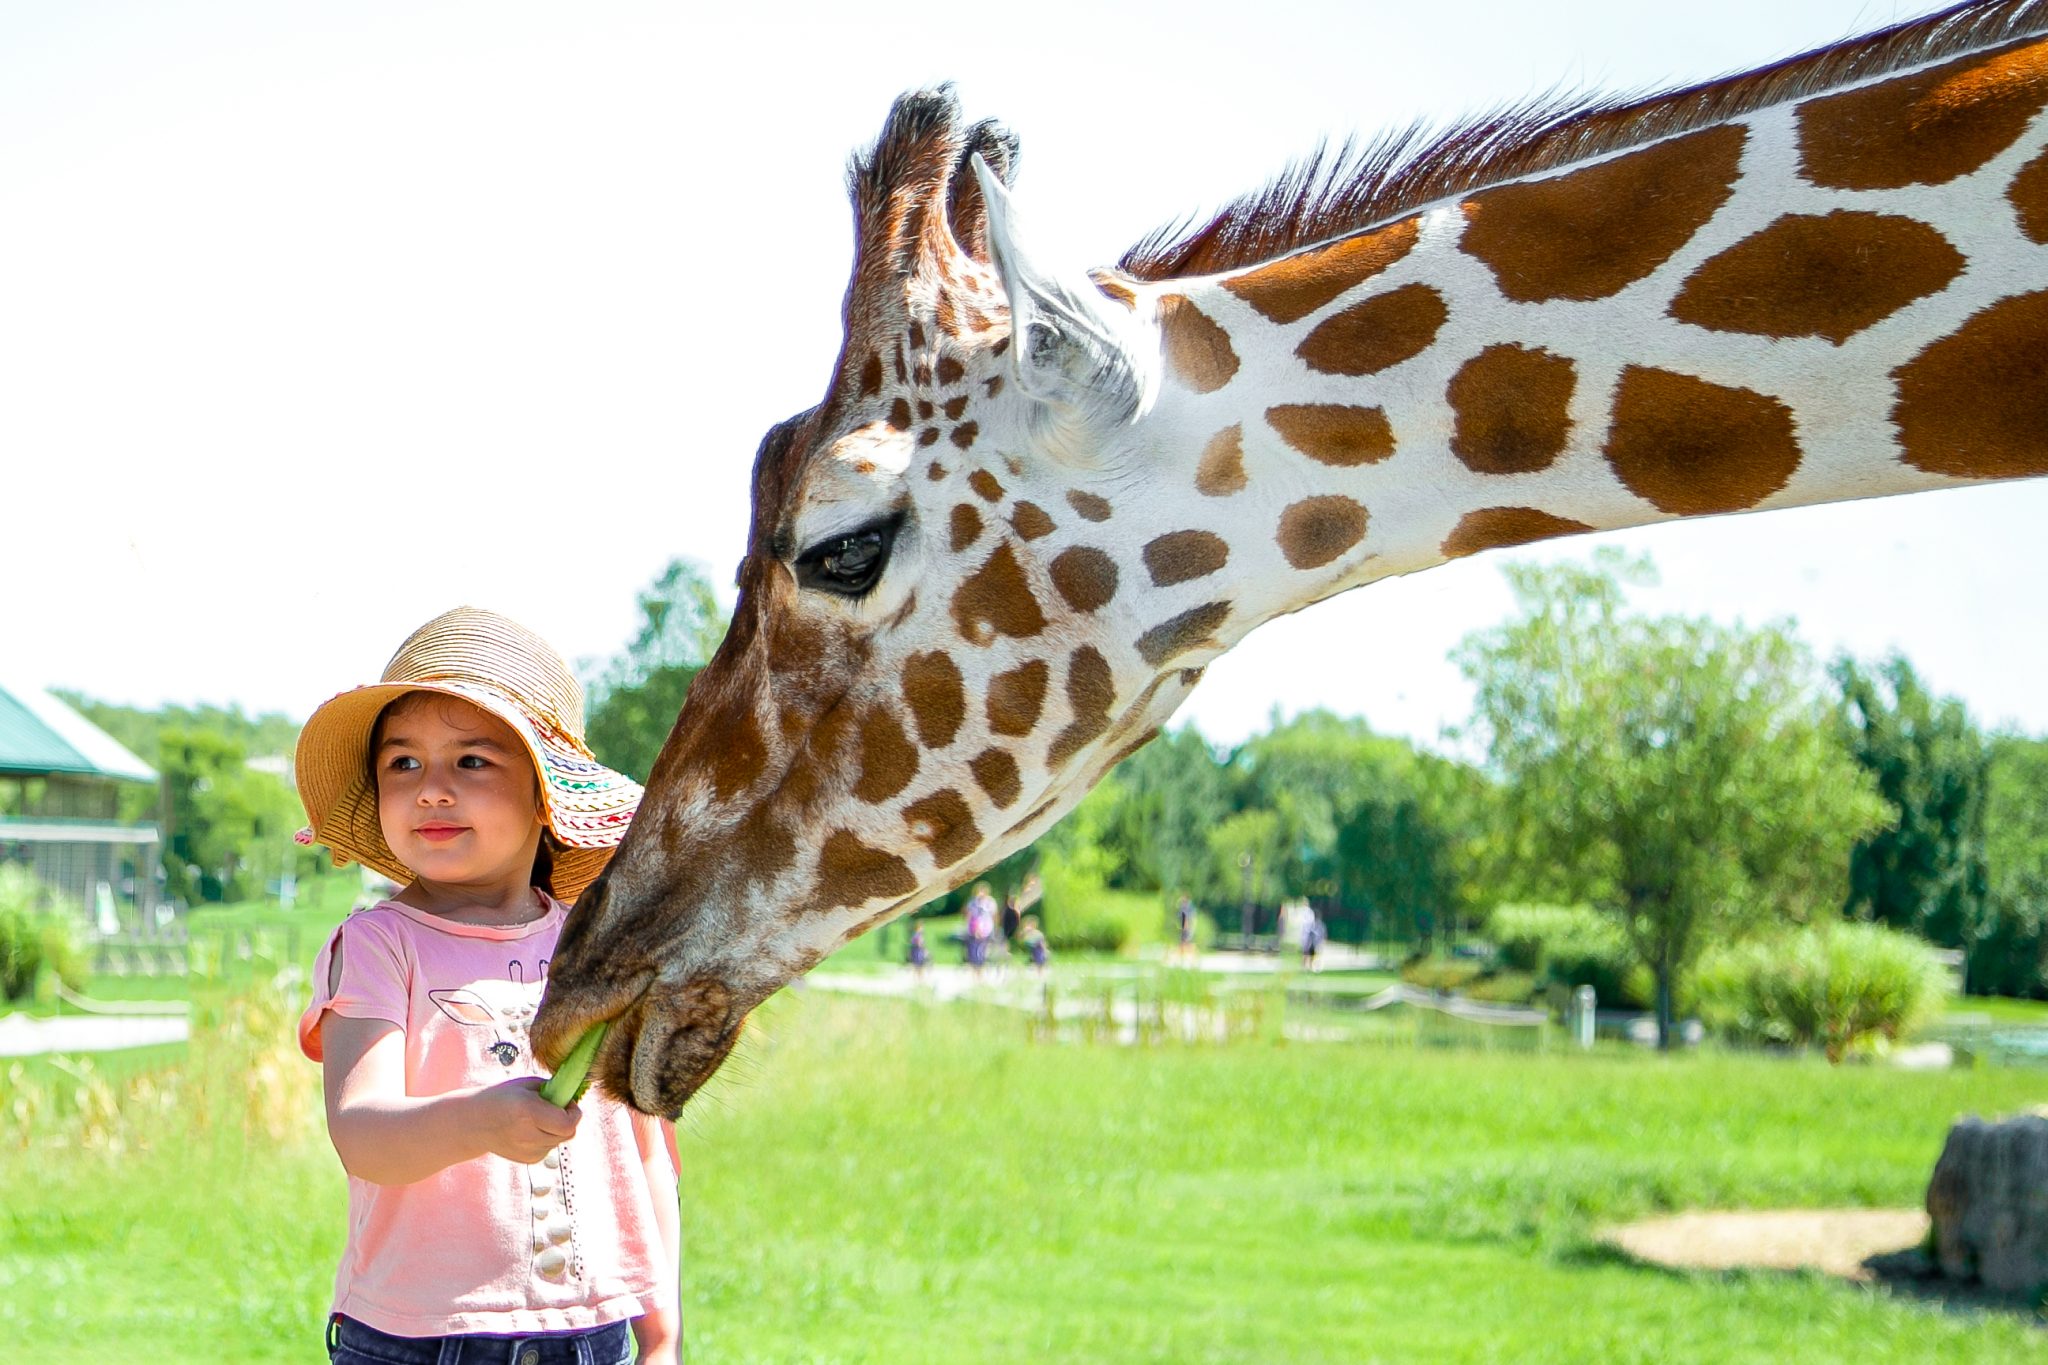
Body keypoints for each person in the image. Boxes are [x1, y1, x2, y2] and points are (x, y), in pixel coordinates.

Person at [294, 607, 679, 1365]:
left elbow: (647, 1149)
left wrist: (660, 1330)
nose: (432, 789)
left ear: (546, 793)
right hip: (421, 1339)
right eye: (403, 764)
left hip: (591, 1336)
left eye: (471, 761)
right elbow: (362, 1132)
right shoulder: (379, 945)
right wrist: (478, 1121)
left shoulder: (597, 950)